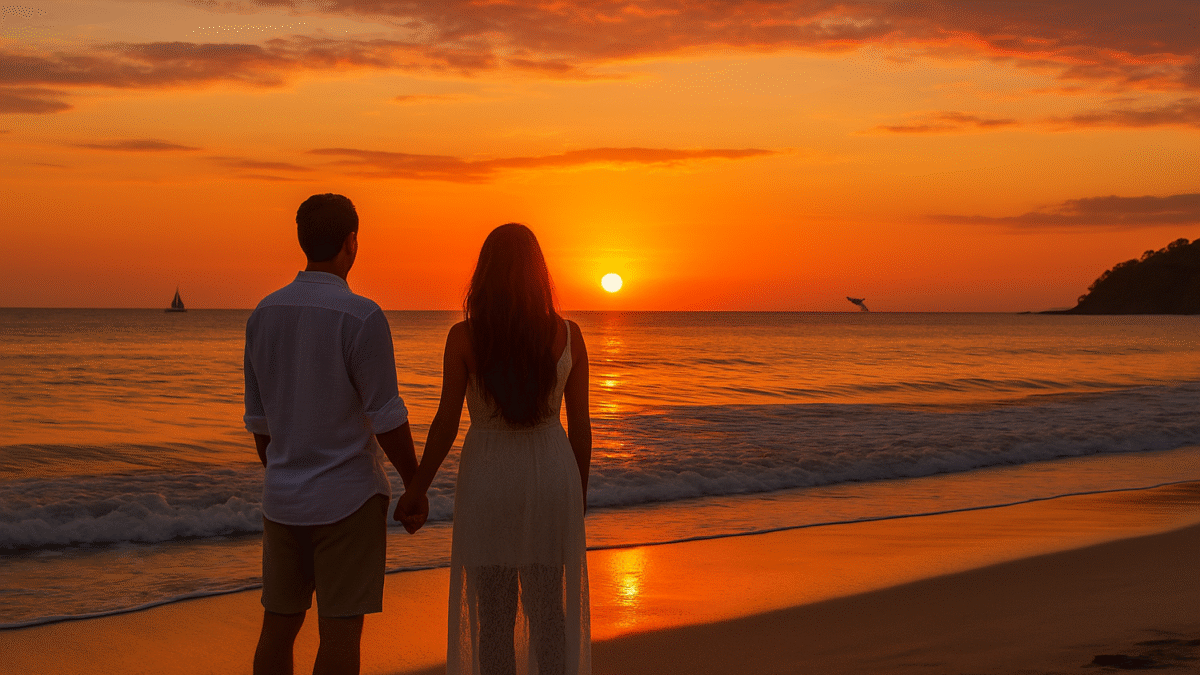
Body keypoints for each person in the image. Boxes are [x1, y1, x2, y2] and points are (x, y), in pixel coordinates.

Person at [396, 223, 592, 675]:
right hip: (550, 475)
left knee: (494, 621)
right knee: (548, 615)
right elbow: (580, 428)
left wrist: (416, 489)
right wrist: (576, 496)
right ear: (539, 275)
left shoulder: (464, 337)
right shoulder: (570, 335)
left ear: (483, 275)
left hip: (489, 477)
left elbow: (446, 424)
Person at [244, 193, 424, 675]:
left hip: (283, 500)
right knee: (341, 633)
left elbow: (260, 424)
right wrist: (415, 484)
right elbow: (386, 414)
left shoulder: (263, 314)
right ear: (352, 242)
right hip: (348, 498)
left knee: (277, 628)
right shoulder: (362, 316)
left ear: (302, 241)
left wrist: (287, 470)